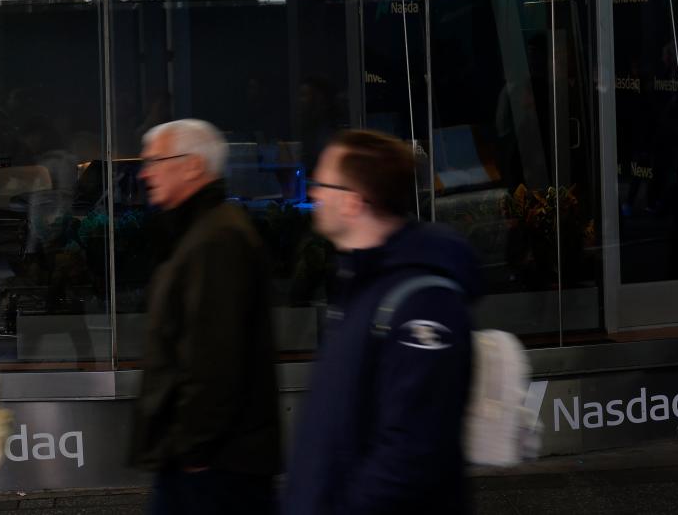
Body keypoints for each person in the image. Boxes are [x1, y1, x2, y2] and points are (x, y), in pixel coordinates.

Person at [281, 130, 481, 515]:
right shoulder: (361, 285)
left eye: (321, 183)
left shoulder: (423, 304)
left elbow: (410, 455)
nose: (313, 194)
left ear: (354, 202)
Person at [130, 119, 281, 515]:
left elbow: (214, 356)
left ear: (193, 166)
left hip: (214, 464)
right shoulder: (199, 231)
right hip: (204, 457)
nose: (145, 173)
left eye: (156, 161)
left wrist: (194, 448)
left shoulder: (216, 239)